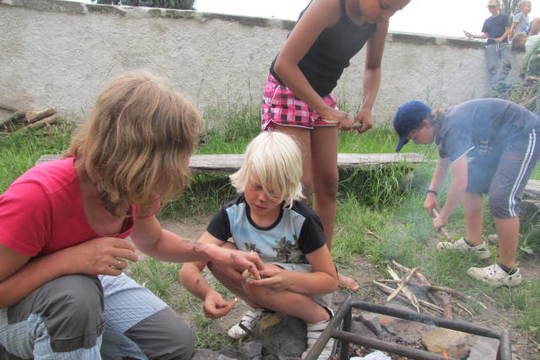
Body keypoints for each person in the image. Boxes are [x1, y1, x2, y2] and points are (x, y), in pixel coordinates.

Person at [0, 71, 263, 359]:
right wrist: (69, 260)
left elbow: (154, 241)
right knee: (76, 297)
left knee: (173, 344)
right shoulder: (38, 195)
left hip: (86, 282)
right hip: (22, 306)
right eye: (178, 154)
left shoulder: (130, 186)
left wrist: (215, 254)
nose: (183, 165)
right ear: (139, 154)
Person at [260, 0, 410, 290]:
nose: (386, 15)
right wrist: (324, 110)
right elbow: (285, 64)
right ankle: (286, 268)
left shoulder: (379, 18)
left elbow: (373, 66)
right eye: (384, 5)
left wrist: (367, 106)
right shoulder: (329, 5)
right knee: (298, 186)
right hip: (289, 90)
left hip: (321, 96)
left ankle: (323, 268)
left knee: (328, 183)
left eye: (395, 11)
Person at [179, 131, 338, 359]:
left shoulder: (302, 220)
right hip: (261, 281)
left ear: (289, 184)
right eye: (256, 186)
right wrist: (206, 293)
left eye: (273, 190)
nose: (262, 197)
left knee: (257, 283)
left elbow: (329, 280)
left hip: (306, 287)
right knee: (217, 254)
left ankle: (319, 318)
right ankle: (263, 308)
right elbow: (189, 266)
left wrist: (288, 279)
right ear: (245, 176)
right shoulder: (231, 214)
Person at [393, 99, 539, 287]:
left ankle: (507, 270)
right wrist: (431, 193)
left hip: (523, 133)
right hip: (501, 141)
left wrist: (444, 216)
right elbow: (444, 161)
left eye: (414, 137)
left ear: (425, 124)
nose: (415, 142)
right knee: (474, 182)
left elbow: (459, 180)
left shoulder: (452, 126)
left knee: (502, 198)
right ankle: (474, 243)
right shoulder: (444, 127)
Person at [464, 0, 512, 88]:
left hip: (503, 44)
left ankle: (499, 84)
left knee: (507, 65)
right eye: (490, 6)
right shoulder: (487, 21)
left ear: (498, 7)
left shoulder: (504, 17)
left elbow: (508, 30)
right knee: (493, 67)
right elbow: (485, 35)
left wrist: (501, 38)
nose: (491, 8)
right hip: (491, 45)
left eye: (493, 6)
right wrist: (472, 36)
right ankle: (495, 88)